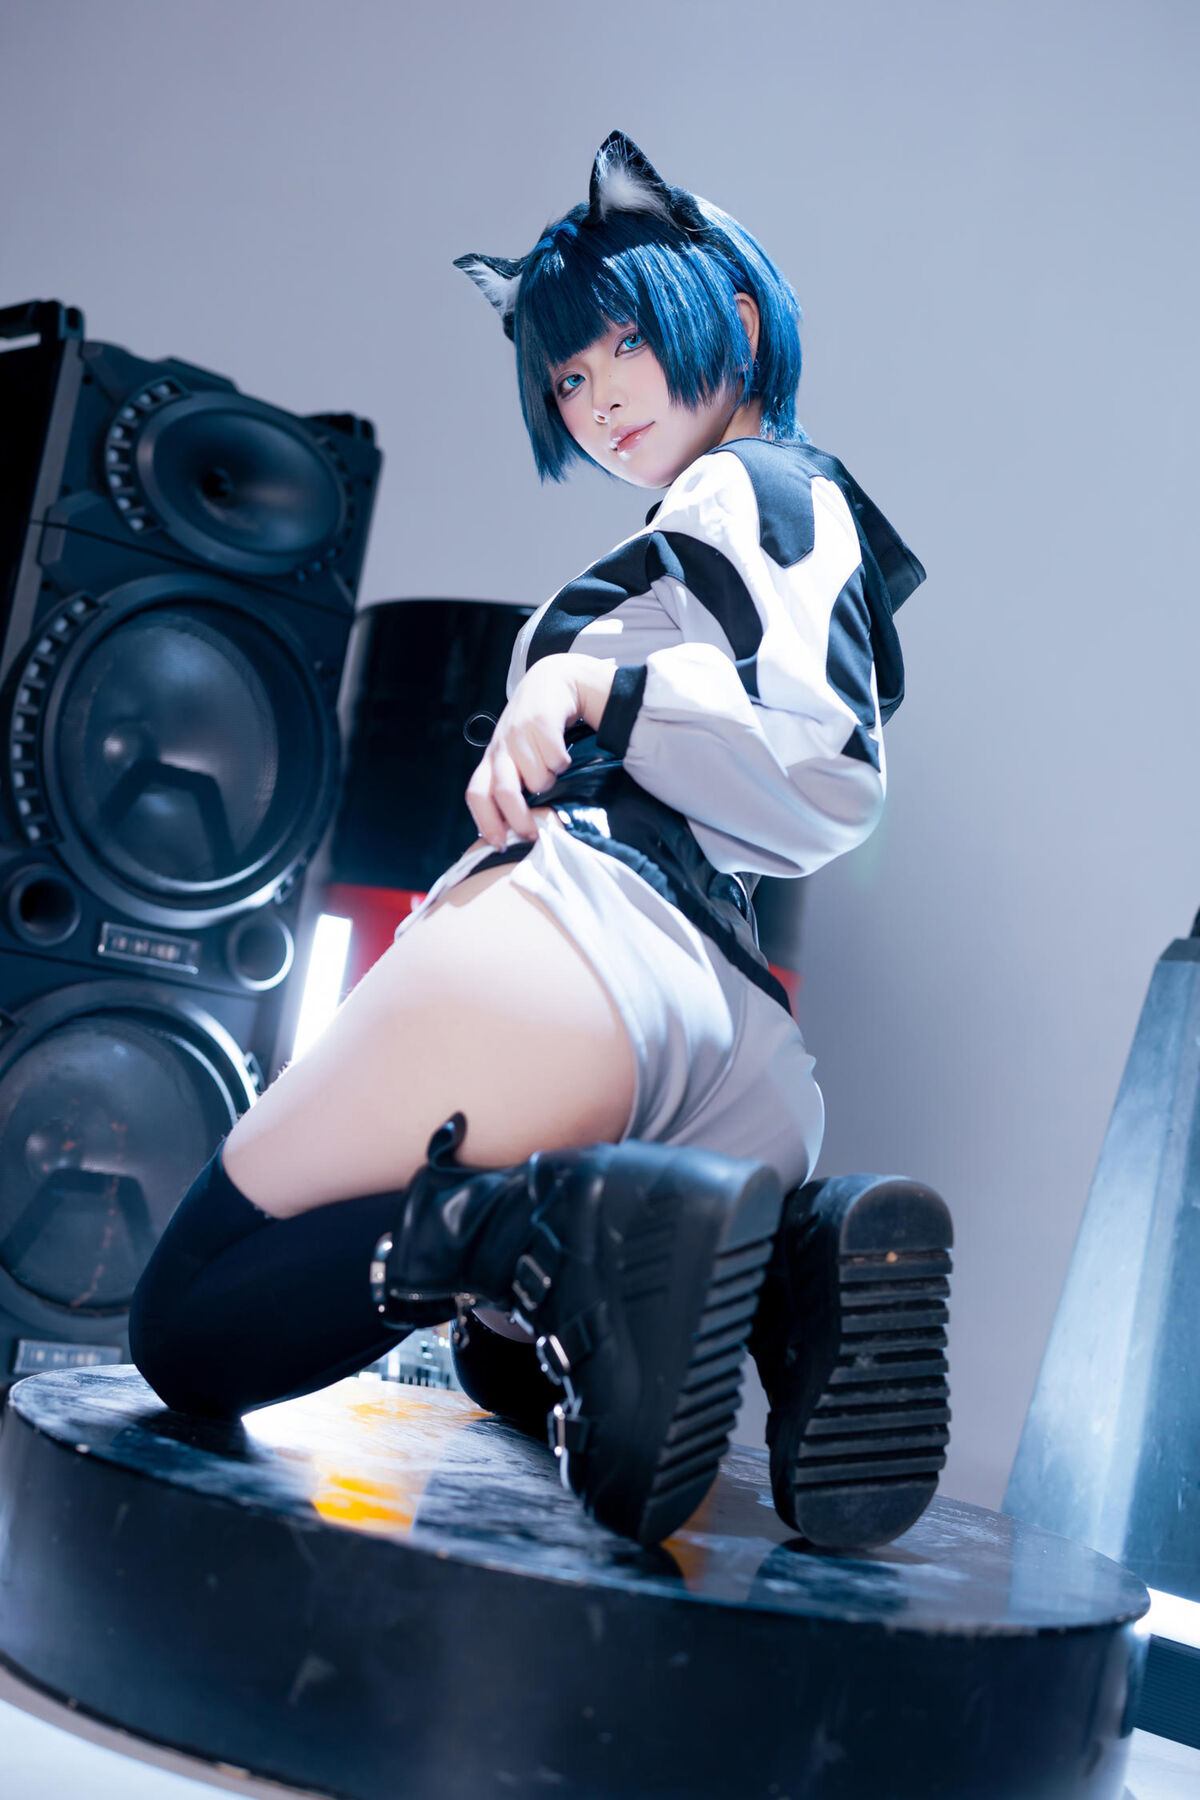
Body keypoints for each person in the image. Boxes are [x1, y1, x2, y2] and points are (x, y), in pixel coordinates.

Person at [130, 132, 951, 1551]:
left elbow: (825, 763)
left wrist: (586, 687)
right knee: (506, 1367)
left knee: (188, 1323)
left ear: (736, 321)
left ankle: (538, 1229)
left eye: (624, 344)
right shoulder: (760, 514)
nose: (596, 397)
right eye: (566, 377)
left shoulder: (749, 489)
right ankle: (792, 1272)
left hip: (577, 956)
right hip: (732, 1057)